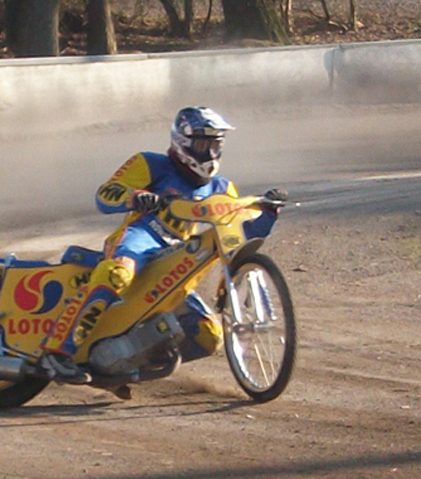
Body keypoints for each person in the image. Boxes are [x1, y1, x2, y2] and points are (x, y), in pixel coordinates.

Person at [39, 106, 285, 384]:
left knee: (209, 337)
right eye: (204, 144)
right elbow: (104, 195)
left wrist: (269, 212)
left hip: (177, 255)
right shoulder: (151, 163)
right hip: (140, 236)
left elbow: (241, 236)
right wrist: (136, 197)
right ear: (183, 142)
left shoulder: (221, 187)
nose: (210, 153)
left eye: (216, 145)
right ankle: (57, 350)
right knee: (117, 273)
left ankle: (124, 367)